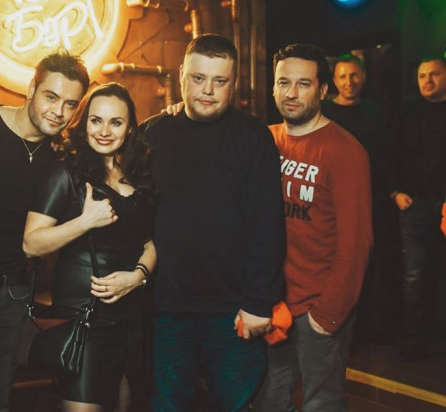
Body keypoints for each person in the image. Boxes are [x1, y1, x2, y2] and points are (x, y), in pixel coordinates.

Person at [0, 52, 90, 412]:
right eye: (51, 97)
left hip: (11, 295)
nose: (59, 111)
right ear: (31, 88)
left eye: (70, 104)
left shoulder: (60, 160)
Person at [144, 34, 286, 411]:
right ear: (181, 75)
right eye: (198, 78)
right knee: (166, 406)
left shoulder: (254, 138)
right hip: (166, 310)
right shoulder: (152, 133)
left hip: (233, 310)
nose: (207, 90)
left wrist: (258, 302)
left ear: (233, 83)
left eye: (219, 81)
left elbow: (268, 226)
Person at [23, 83, 157, 411]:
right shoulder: (66, 174)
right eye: (96, 120)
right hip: (84, 319)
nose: (105, 131)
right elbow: (31, 243)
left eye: (116, 122)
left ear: (130, 128)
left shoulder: (136, 176)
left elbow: (152, 242)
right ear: (84, 124)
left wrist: (138, 276)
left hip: (132, 316)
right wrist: (85, 221)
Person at [255, 43, 373, 411]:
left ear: (322, 90)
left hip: (317, 310)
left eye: (303, 84)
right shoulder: (265, 140)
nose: (291, 93)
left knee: (322, 404)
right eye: (283, 82)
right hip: (272, 304)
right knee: (269, 401)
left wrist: (327, 314)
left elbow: (357, 243)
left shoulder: (345, 151)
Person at [323, 53, 395, 342]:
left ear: (363, 77)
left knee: (370, 261)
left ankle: (370, 328)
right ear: (334, 80)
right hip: (331, 200)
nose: (348, 81)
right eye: (342, 76)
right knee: (336, 260)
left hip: (370, 196)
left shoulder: (374, 111)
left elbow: (385, 155)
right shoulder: (325, 111)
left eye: (353, 75)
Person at [390, 56, 446, 360]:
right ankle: (413, 338)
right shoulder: (408, 113)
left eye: (434, 74)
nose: (427, 80)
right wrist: (395, 192)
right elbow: (391, 151)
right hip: (414, 206)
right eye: (423, 75)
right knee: (415, 274)